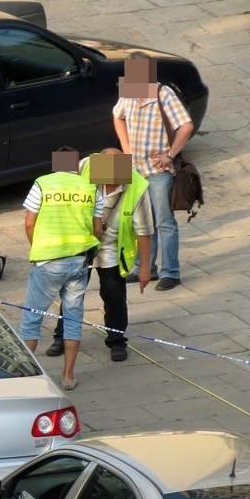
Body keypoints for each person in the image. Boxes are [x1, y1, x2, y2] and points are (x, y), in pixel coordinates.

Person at [45, 149, 154, 362]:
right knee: (72, 293)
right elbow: (57, 180)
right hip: (82, 241)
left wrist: (145, 269)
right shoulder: (86, 166)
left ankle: (116, 340)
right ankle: (61, 337)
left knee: (114, 295)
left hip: (113, 246)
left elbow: (144, 231)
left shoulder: (138, 187)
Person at [19, 148, 102, 391]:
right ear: (76, 166)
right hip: (79, 262)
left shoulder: (43, 184)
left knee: (32, 320)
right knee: (73, 319)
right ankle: (67, 376)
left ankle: (26, 378)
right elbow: (98, 228)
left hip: (48, 262)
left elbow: (29, 222)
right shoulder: (90, 188)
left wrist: (38, 247)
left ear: (56, 165)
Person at [113, 51, 193, 292]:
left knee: (164, 222)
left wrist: (170, 154)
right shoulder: (128, 92)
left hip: (159, 172)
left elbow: (186, 126)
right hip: (137, 171)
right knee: (142, 222)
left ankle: (171, 272)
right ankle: (144, 268)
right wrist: (126, 149)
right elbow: (117, 117)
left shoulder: (163, 93)